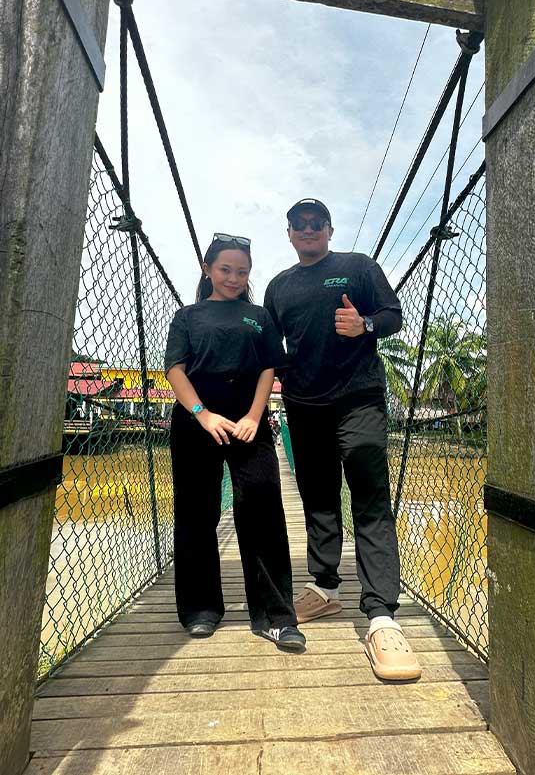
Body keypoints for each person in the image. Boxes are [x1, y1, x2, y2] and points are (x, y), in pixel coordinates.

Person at [264, 199, 421, 681]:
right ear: (289, 233)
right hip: (304, 407)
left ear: (329, 229)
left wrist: (365, 325)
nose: (308, 230)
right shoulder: (279, 286)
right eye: (299, 224)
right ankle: (326, 589)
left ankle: (381, 617)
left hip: (359, 399)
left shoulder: (357, 268)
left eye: (316, 223)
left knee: (370, 499)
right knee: (318, 498)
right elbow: (271, 347)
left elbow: (394, 315)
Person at [164, 233, 305, 651]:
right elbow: (174, 369)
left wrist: (253, 416)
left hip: (247, 423)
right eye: (225, 269)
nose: (233, 278)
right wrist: (202, 414)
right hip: (197, 423)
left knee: (262, 508)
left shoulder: (258, 316)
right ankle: (201, 609)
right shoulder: (186, 316)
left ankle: (275, 616)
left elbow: (268, 369)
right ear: (207, 270)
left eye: (242, 271)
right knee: (195, 513)